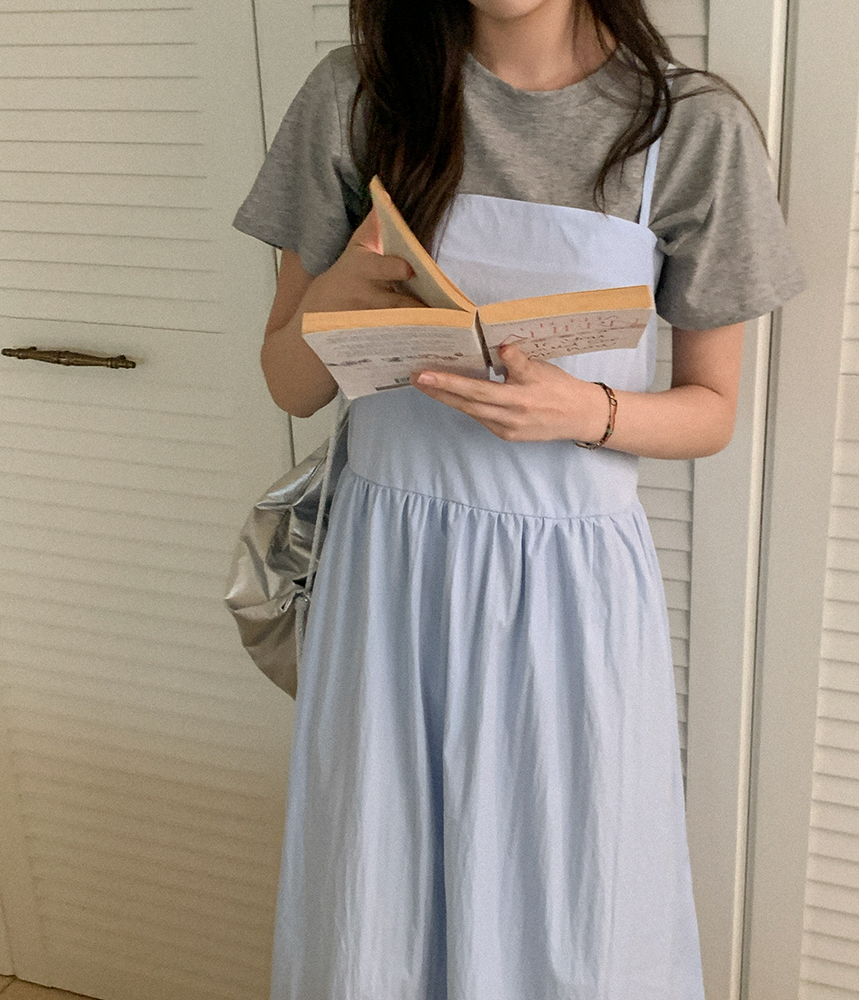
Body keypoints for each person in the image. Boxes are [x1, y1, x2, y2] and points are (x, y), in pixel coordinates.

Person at [234, 1, 804, 997]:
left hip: (570, 585)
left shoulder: (689, 127)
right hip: (388, 567)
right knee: (378, 882)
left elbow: (712, 413)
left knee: (572, 892)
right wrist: (340, 286)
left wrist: (587, 412)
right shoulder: (357, 96)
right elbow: (291, 384)